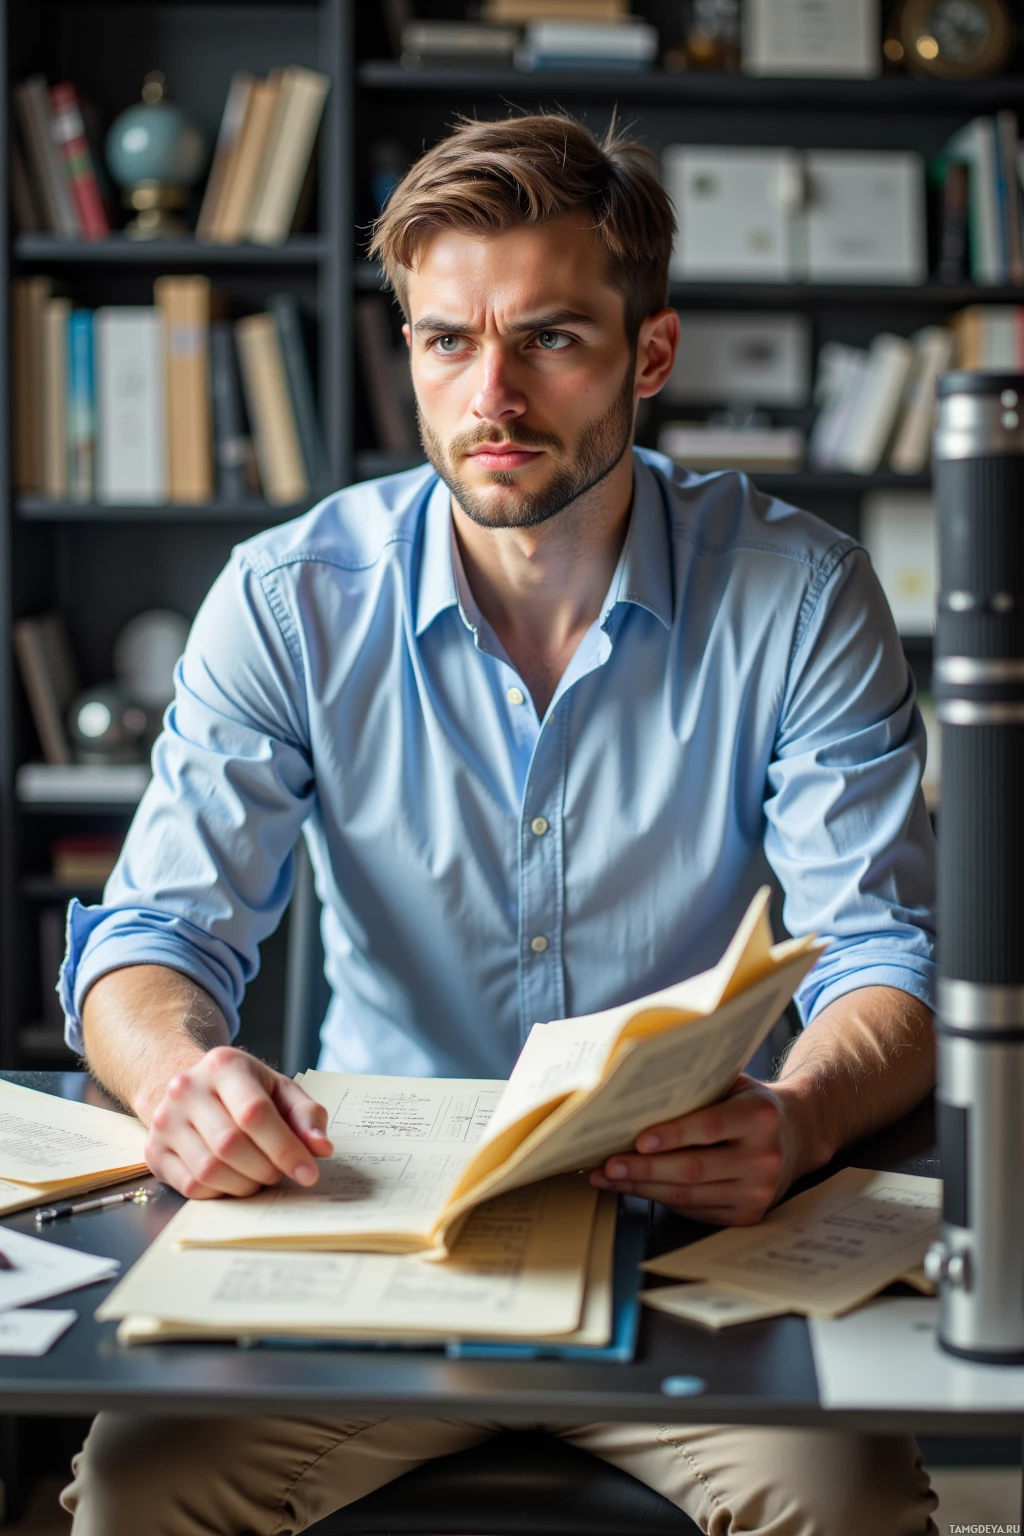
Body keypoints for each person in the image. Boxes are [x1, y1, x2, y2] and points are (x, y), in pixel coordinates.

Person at [58, 112, 939, 1535]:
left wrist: (802, 1113)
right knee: (136, 1486)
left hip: (694, 1236)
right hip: (370, 1225)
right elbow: (156, 936)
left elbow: (883, 956)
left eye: (552, 339)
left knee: (846, 1500)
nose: (492, 398)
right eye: (447, 341)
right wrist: (176, 1082)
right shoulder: (290, 601)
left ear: (650, 356)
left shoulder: (799, 595)